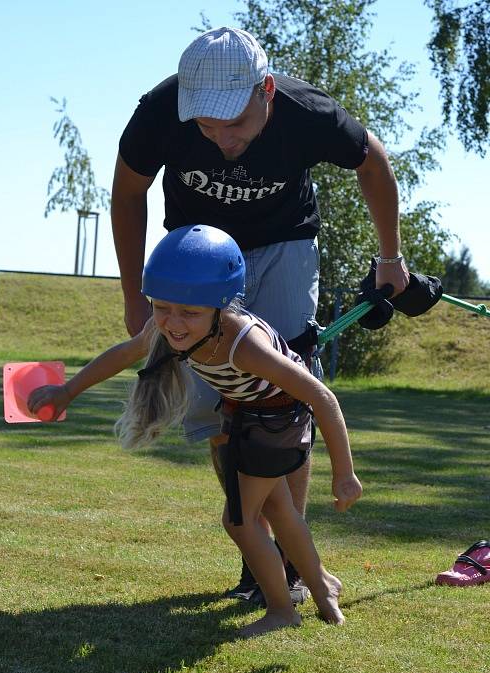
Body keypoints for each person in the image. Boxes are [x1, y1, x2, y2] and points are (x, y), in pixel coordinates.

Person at [111, 26, 405, 603]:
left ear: (265, 90)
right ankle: (259, 551)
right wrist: (132, 296)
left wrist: (390, 257)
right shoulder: (159, 110)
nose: (220, 137)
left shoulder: (307, 112)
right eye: (206, 125)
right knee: (217, 408)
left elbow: (374, 164)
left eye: (234, 123)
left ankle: (292, 565)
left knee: (281, 399)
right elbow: (127, 193)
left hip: (283, 246)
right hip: (195, 254)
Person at [28, 225, 362, 639]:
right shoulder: (168, 326)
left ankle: (282, 609)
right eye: (162, 307)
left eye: (189, 313)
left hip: (278, 420)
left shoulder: (245, 343)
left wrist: (344, 473)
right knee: (278, 509)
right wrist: (67, 391)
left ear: (221, 308)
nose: (174, 323)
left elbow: (322, 398)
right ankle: (323, 587)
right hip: (248, 416)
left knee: (240, 520)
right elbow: (123, 354)